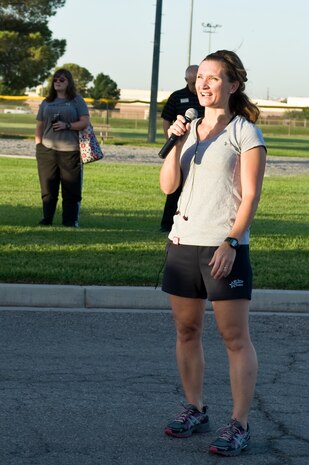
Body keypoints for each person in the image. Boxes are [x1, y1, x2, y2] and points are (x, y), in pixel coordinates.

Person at [160, 50, 266, 457]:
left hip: (224, 246)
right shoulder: (186, 130)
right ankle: (195, 408)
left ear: (233, 85)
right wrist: (175, 141)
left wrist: (233, 241)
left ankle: (239, 423)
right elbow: (169, 187)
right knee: (187, 331)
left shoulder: (245, 133)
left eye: (213, 78)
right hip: (183, 242)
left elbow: (251, 196)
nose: (203, 84)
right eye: (199, 77)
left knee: (234, 337)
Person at [35, 68, 90, 227]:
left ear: (69, 82)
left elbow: (84, 122)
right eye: (55, 79)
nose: (57, 82)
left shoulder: (76, 100)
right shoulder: (47, 101)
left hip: (71, 151)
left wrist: (67, 125)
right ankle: (47, 219)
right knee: (48, 189)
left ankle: (70, 221)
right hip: (47, 150)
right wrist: (39, 145)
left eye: (62, 80)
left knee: (71, 189)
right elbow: (39, 125)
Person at [159, 65, 204, 232]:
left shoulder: (206, 98)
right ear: (186, 81)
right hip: (181, 147)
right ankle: (167, 223)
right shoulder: (177, 97)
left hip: (203, 147)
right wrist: (170, 141)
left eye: (197, 80)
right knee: (174, 186)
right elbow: (166, 120)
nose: (195, 86)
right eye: (192, 82)